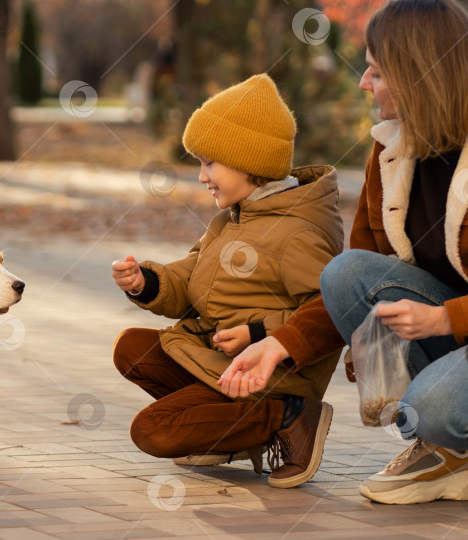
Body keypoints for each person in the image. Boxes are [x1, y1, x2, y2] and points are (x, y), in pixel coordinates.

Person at [220, 0, 468, 505]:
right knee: (347, 270)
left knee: (434, 405)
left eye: (375, 72)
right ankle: (450, 450)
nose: (363, 83)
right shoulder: (391, 150)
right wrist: (281, 344)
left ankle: (446, 432)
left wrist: (445, 319)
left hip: (453, 324)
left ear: (416, 74)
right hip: (451, 333)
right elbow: (357, 276)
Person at [111, 74, 344, 488]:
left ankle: (290, 418)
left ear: (247, 162)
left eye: (208, 163)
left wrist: (258, 333)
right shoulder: (233, 218)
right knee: (131, 348)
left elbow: (329, 312)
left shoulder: (297, 234)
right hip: (224, 361)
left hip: (274, 379)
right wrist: (145, 281)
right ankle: (227, 436)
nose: (201, 176)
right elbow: (192, 278)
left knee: (152, 430)